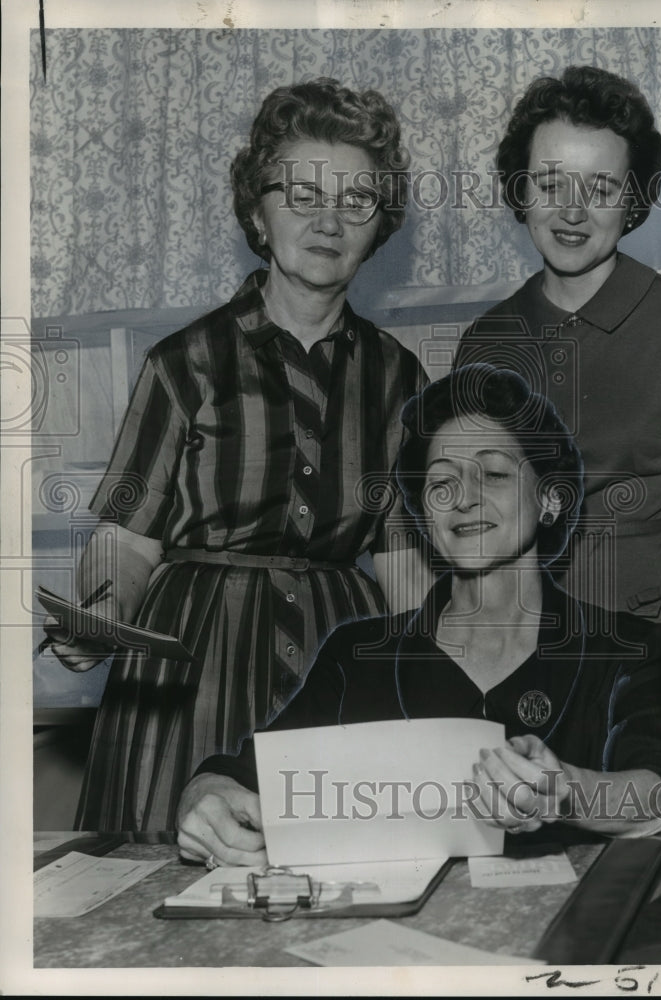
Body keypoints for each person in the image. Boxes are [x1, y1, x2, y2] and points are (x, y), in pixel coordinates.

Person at [46, 78, 431, 832]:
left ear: (379, 224)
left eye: (356, 200)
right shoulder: (182, 362)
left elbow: (403, 564)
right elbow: (124, 541)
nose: (329, 221)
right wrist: (97, 616)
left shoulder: (398, 378)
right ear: (258, 211)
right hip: (190, 668)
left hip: (337, 663)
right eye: (302, 195)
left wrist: (435, 688)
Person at [175, 365, 661, 869]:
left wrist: (567, 791)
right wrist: (205, 795)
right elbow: (250, 775)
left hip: (564, 946)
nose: (464, 499)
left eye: (495, 474)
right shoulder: (360, 656)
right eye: (440, 484)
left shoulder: (628, 648)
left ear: (550, 499)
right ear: (425, 518)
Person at [454, 66, 661, 818]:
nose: (571, 210)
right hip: (529, 661)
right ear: (520, 189)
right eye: (551, 182)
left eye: (601, 187)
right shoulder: (487, 341)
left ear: (634, 200)